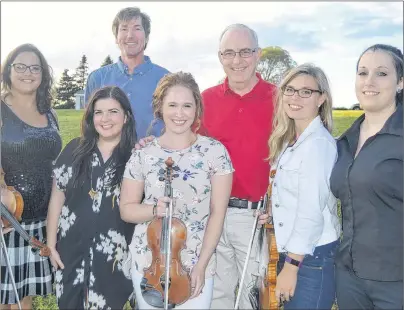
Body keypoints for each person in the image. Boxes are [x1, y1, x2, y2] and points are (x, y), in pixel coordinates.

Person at [119, 72, 234, 309]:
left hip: (195, 262)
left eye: (186, 106)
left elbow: (217, 213)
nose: (179, 114)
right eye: (172, 105)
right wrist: (154, 209)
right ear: (159, 107)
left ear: (196, 109)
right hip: (150, 263)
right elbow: (127, 210)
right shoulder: (143, 154)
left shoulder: (215, 152)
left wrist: (201, 266)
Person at [199, 24, 275, 309]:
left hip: (255, 217)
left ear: (258, 55)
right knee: (215, 294)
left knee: (250, 296)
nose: (237, 60)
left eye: (245, 52)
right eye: (229, 53)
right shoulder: (205, 100)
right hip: (213, 214)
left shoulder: (279, 98)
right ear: (220, 57)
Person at [46, 86, 137, 309]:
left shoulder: (137, 157)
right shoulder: (74, 150)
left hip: (113, 257)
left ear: (125, 117)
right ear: (91, 117)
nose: (105, 119)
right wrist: (50, 244)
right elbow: (57, 199)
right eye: (98, 112)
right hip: (71, 251)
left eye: (113, 112)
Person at [330, 44, 403, 310]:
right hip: (349, 276)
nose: (369, 82)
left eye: (381, 73)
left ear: (400, 82)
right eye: (362, 73)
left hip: (396, 282)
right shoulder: (344, 141)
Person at [266, 63, 341, 309]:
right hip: (296, 253)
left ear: (321, 99)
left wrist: (291, 266)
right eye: (290, 90)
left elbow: (311, 213)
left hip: (310, 257)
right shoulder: (293, 140)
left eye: (306, 92)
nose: (295, 97)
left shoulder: (317, 145)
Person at [0, 43, 62, 309]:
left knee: (24, 295)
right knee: (4, 294)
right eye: (21, 66)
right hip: (8, 215)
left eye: (35, 67)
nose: (28, 72)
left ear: (43, 74)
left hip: (41, 216)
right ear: (9, 71)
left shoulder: (50, 112)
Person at [85, 6, 169, 139]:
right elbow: (88, 127)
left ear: (146, 36)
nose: (130, 35)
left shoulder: (166, 80)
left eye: (137, 28)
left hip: (153, 157)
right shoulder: (97, 78)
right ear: (116, 38)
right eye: (124, 29)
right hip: (108, 158)